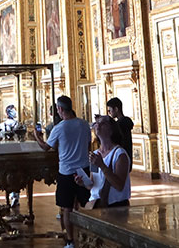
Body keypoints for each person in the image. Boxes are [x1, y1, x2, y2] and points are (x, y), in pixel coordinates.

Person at [34, 95, 91, 248]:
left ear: (59, 109)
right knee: (84, 205)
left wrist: (37, 137)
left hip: (66, 172)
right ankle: (86, 238)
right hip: (84, 169)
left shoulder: (59, 128)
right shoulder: (84, 124)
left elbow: (46, 147)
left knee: (67, 208)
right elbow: (88, 145)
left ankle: (71, 241)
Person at [75, 116, 131, 207]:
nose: (98, 125)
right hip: (96, 204)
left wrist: (102, 165)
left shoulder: (120, 154)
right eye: (97, 123)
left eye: (103, 123)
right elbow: (93, 185)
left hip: (115, 205)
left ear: (111, 130)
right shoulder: (95, 154)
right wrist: (83, 183)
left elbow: (119, 185)